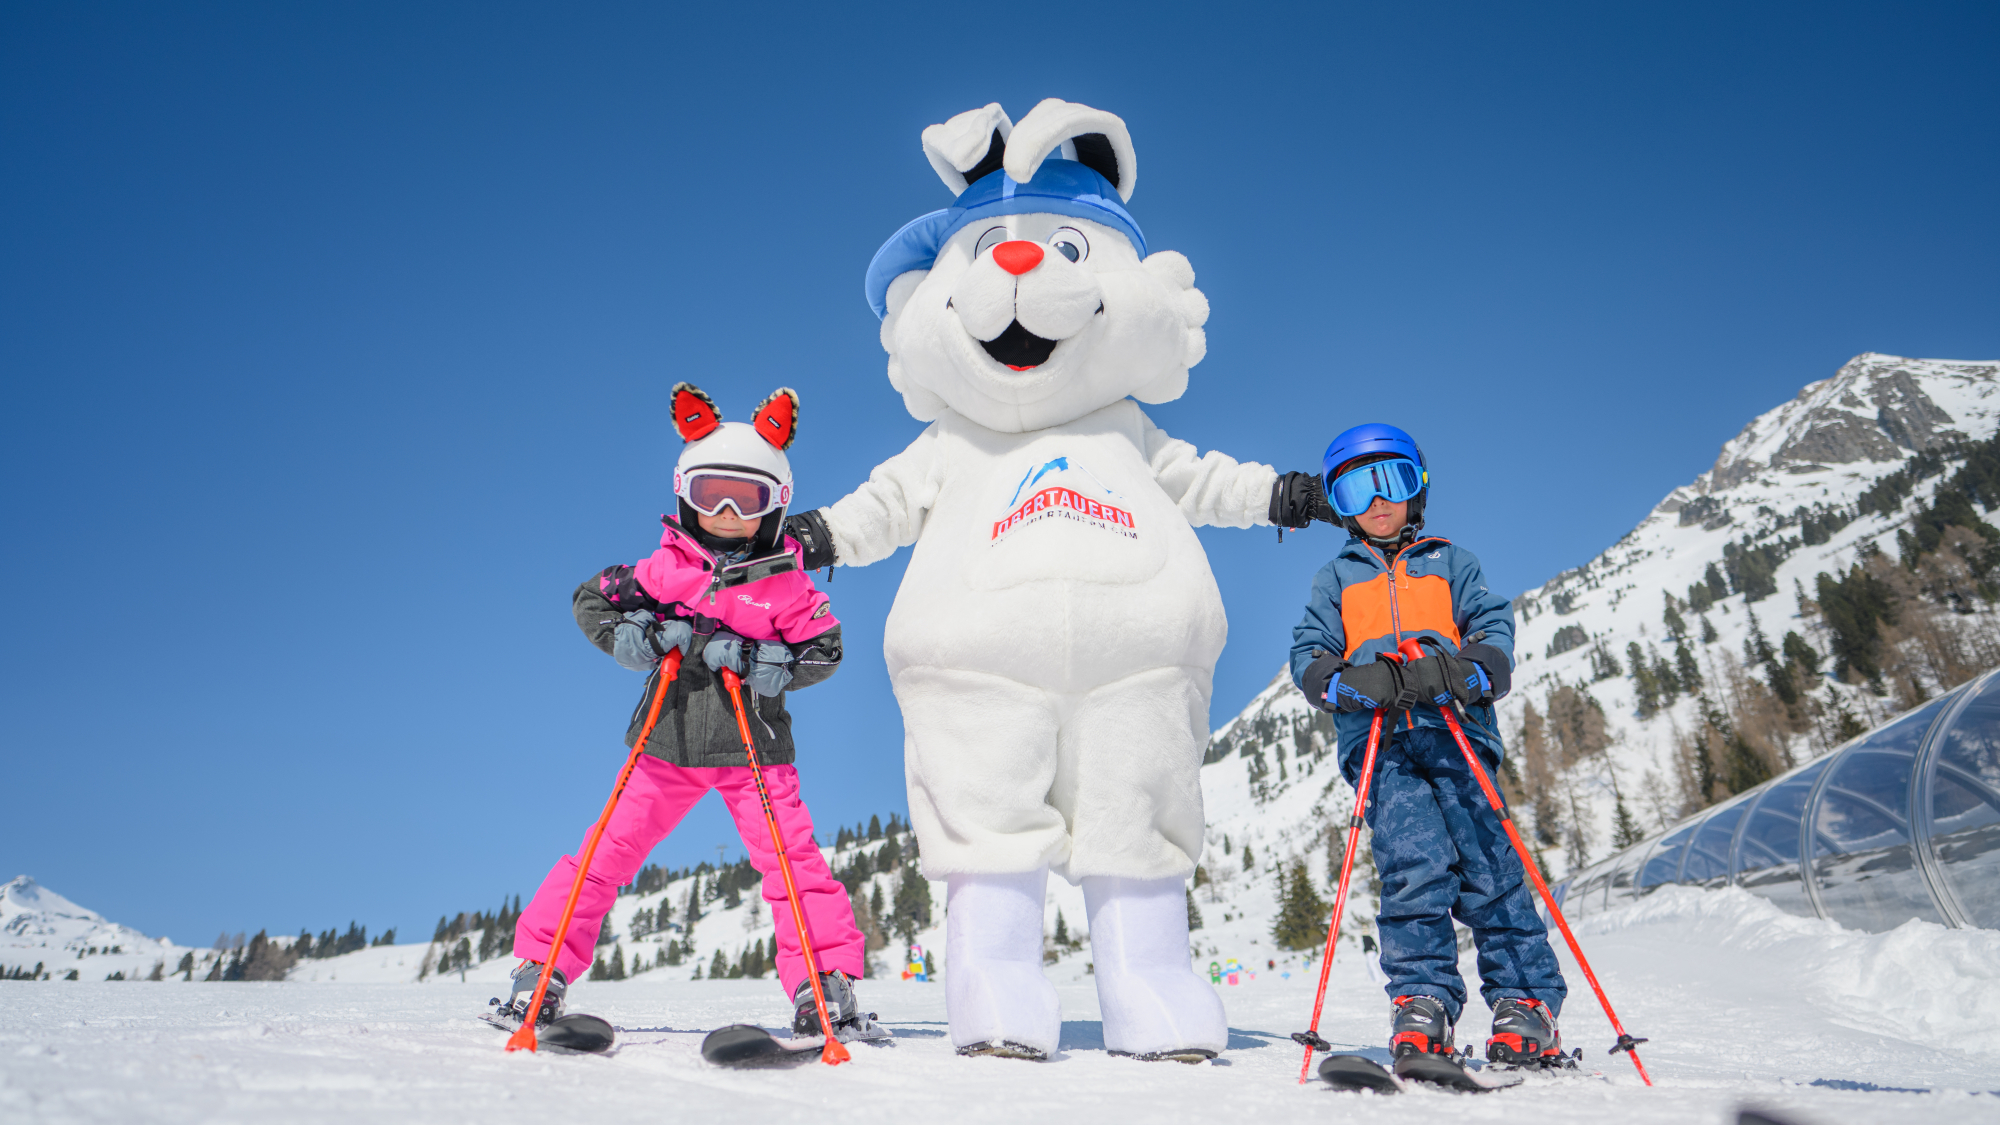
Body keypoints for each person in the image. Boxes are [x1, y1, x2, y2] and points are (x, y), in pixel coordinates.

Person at [499, 383, 879, 1042]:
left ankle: (824, 983)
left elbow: (825, 648)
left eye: (746, 499)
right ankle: (541, 967)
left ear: (774, 505)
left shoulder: (785, 583)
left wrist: (767, 661)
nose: (727, 513)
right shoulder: (663, 570)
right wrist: (636, 636)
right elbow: (593, 598)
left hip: (754, 750)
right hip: (665, 744)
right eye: (711, 496)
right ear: (684, 496)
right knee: (605, 852)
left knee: (791, 862)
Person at [1288, 423, 1568, 1067]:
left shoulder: (1452, 563)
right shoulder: (1336, 578)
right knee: (1413, 870)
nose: (1377, 501)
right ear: (1341, 505)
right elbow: (1310, 657)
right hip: (1383, 748)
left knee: (1489, 868)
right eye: (1355, 489)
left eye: (1391, 480)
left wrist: (1468, 670)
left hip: (1456, 734)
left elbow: (1492, 631)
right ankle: (1422, 1001)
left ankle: (1525, 1002)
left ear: (1418, 488)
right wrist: (1350, 683)